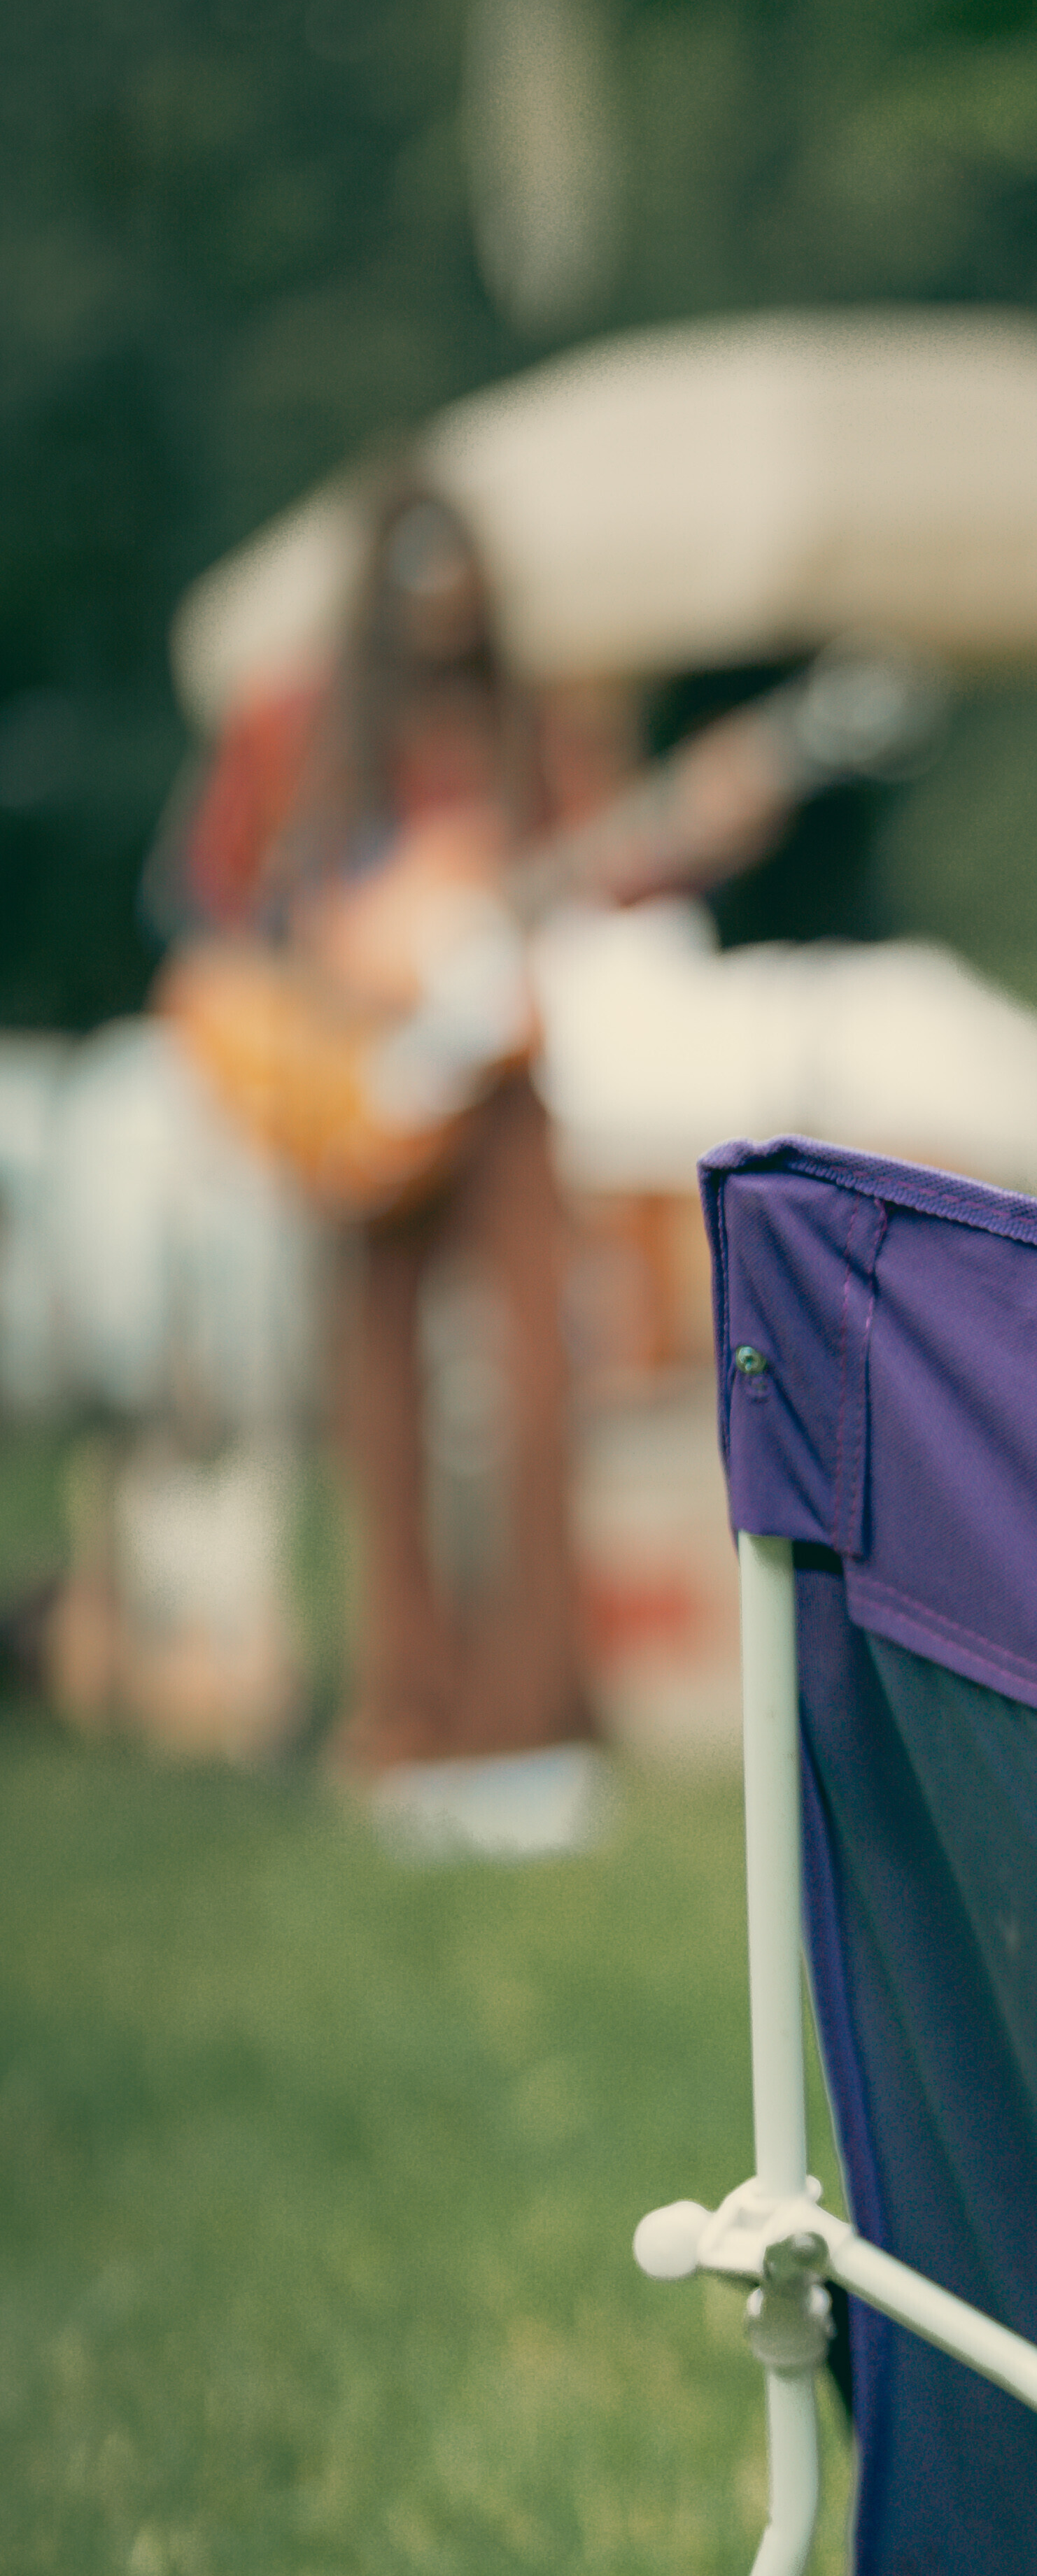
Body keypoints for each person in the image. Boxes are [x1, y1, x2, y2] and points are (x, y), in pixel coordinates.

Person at [172, 478, 596, 1777]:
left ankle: (533, 1708)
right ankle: (401, 1704)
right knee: (381, 1406)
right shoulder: (289, 724)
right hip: (361, 1090)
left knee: (537, 1392)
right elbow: (205, 901)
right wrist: (344, 961)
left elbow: (603, 860)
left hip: (505, 1080)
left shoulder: (529, 723)